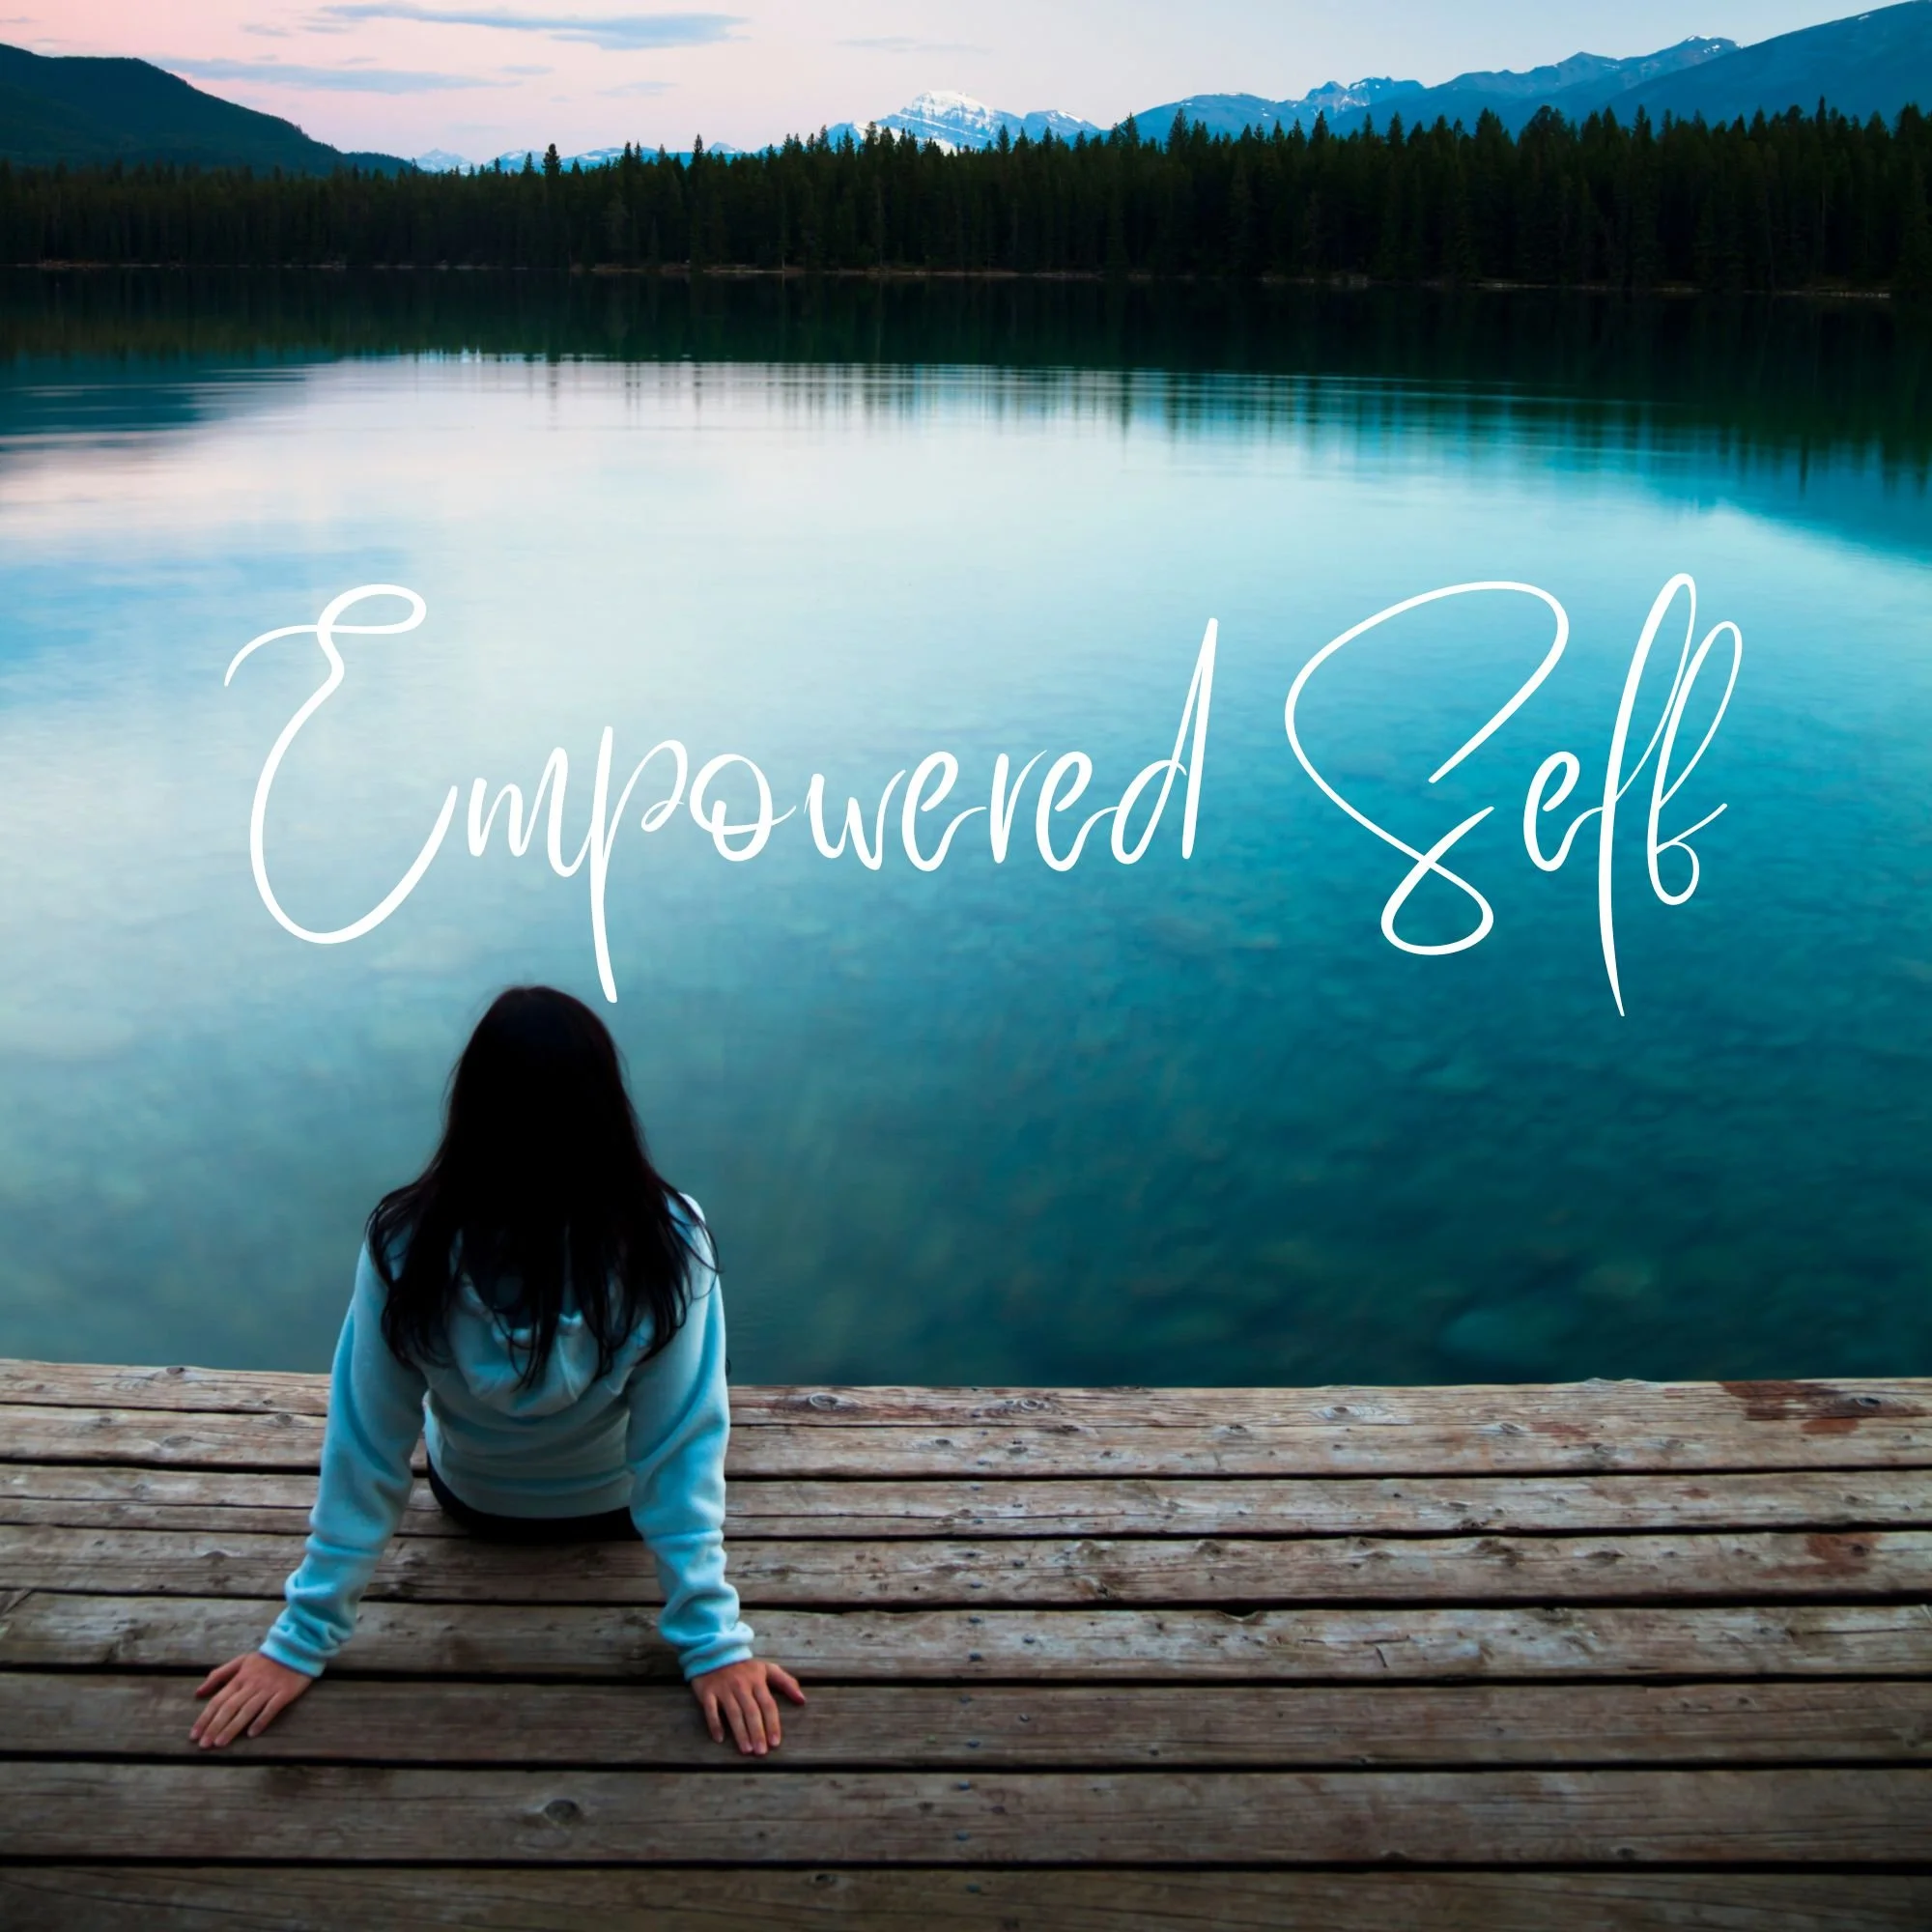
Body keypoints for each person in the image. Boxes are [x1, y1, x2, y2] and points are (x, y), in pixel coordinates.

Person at [188, 985, 804, 1755]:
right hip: (615, 1507)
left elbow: (365, 1447)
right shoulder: (672, 1239)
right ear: (608, 1107)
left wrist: (301, 1638)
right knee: (697, 1396)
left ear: (471, 1106)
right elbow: (680, 1454)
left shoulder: (403, 1243)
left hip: (477, 1504)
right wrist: (714, 1644)